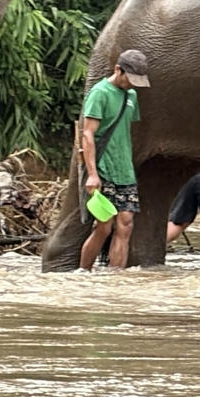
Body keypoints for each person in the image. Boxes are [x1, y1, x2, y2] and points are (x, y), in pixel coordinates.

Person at [78, 49, 149, 271]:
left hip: (124, 170)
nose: (133, 84)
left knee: (126, 225)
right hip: (103, 168)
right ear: (118, 70)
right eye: (130, 79)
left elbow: (126, 131)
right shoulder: (100, 93)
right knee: (104, 226)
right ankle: (83, 272)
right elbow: (87, 134)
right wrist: (92, 174)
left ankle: (115, 277)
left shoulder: (131, 96)